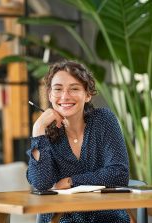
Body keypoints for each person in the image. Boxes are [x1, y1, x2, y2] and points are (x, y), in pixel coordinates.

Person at [27, 60, 130, 223]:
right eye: (58, 89)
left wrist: (71, 181)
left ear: (87, 95)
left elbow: (119, 174)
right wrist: (38, 129)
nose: (65, 96)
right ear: (50, 95)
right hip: (62, 219)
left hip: (107, 218)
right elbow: (41, 183)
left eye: (74, 88)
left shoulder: (103, 120)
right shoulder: (44, 133)